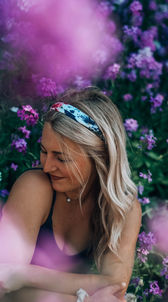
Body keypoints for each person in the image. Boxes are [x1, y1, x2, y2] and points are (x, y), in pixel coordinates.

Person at [0, 87, 142, 302]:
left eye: (61, 158)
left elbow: (116, 288)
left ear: (100, 157)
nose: (47, 167)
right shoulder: (35, 187)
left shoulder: (122, 209)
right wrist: (83, 296)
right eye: (44, 151)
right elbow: (5, 285)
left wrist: (25, 274)